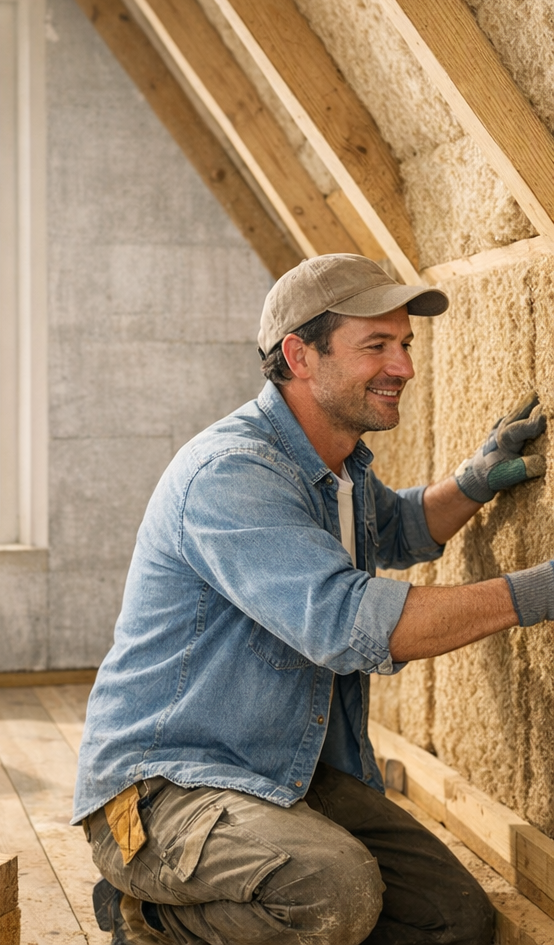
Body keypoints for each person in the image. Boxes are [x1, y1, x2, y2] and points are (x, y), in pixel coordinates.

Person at [73, 253, 550, 945]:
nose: (404, 368)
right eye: (377, 346)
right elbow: (350, 623)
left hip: (280, 772)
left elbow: (397, 528)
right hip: (165, 790)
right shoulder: (232, 474)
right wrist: (539, 590)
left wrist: (475, 481)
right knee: (333, 889)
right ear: (300, 355)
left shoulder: (335, 466)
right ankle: (143, 913)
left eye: (405, 345)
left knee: (454, 920)